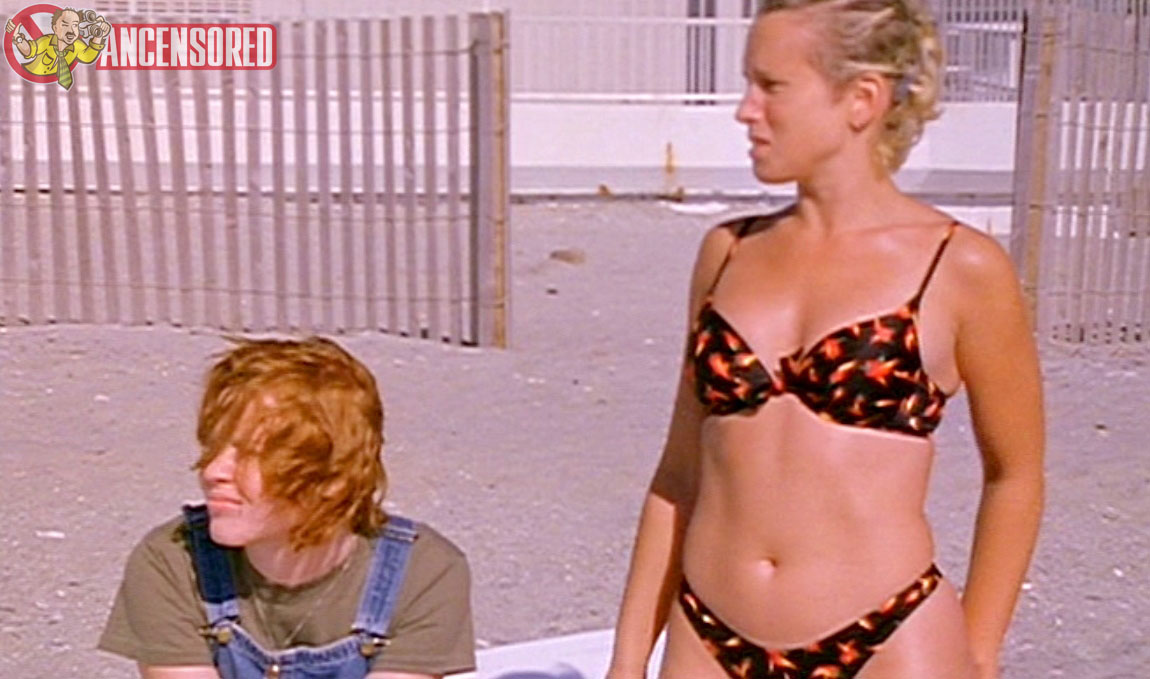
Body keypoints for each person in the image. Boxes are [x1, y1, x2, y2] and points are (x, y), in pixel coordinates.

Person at [606, 1, 1044, 678]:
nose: (745, 111)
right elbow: (678, 476)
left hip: (889, 636)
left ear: (861, 99)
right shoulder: (727, 252)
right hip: (708, 634)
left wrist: (979, 651)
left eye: (771, 86)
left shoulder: (959, 266)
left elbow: (1015, 474)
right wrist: (627, 659)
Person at [98, 337, 476, 679]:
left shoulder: (423, 573)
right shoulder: (174, 561)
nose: (213, 471)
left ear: (333, 479)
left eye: (252, 455)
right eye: (213, 447)